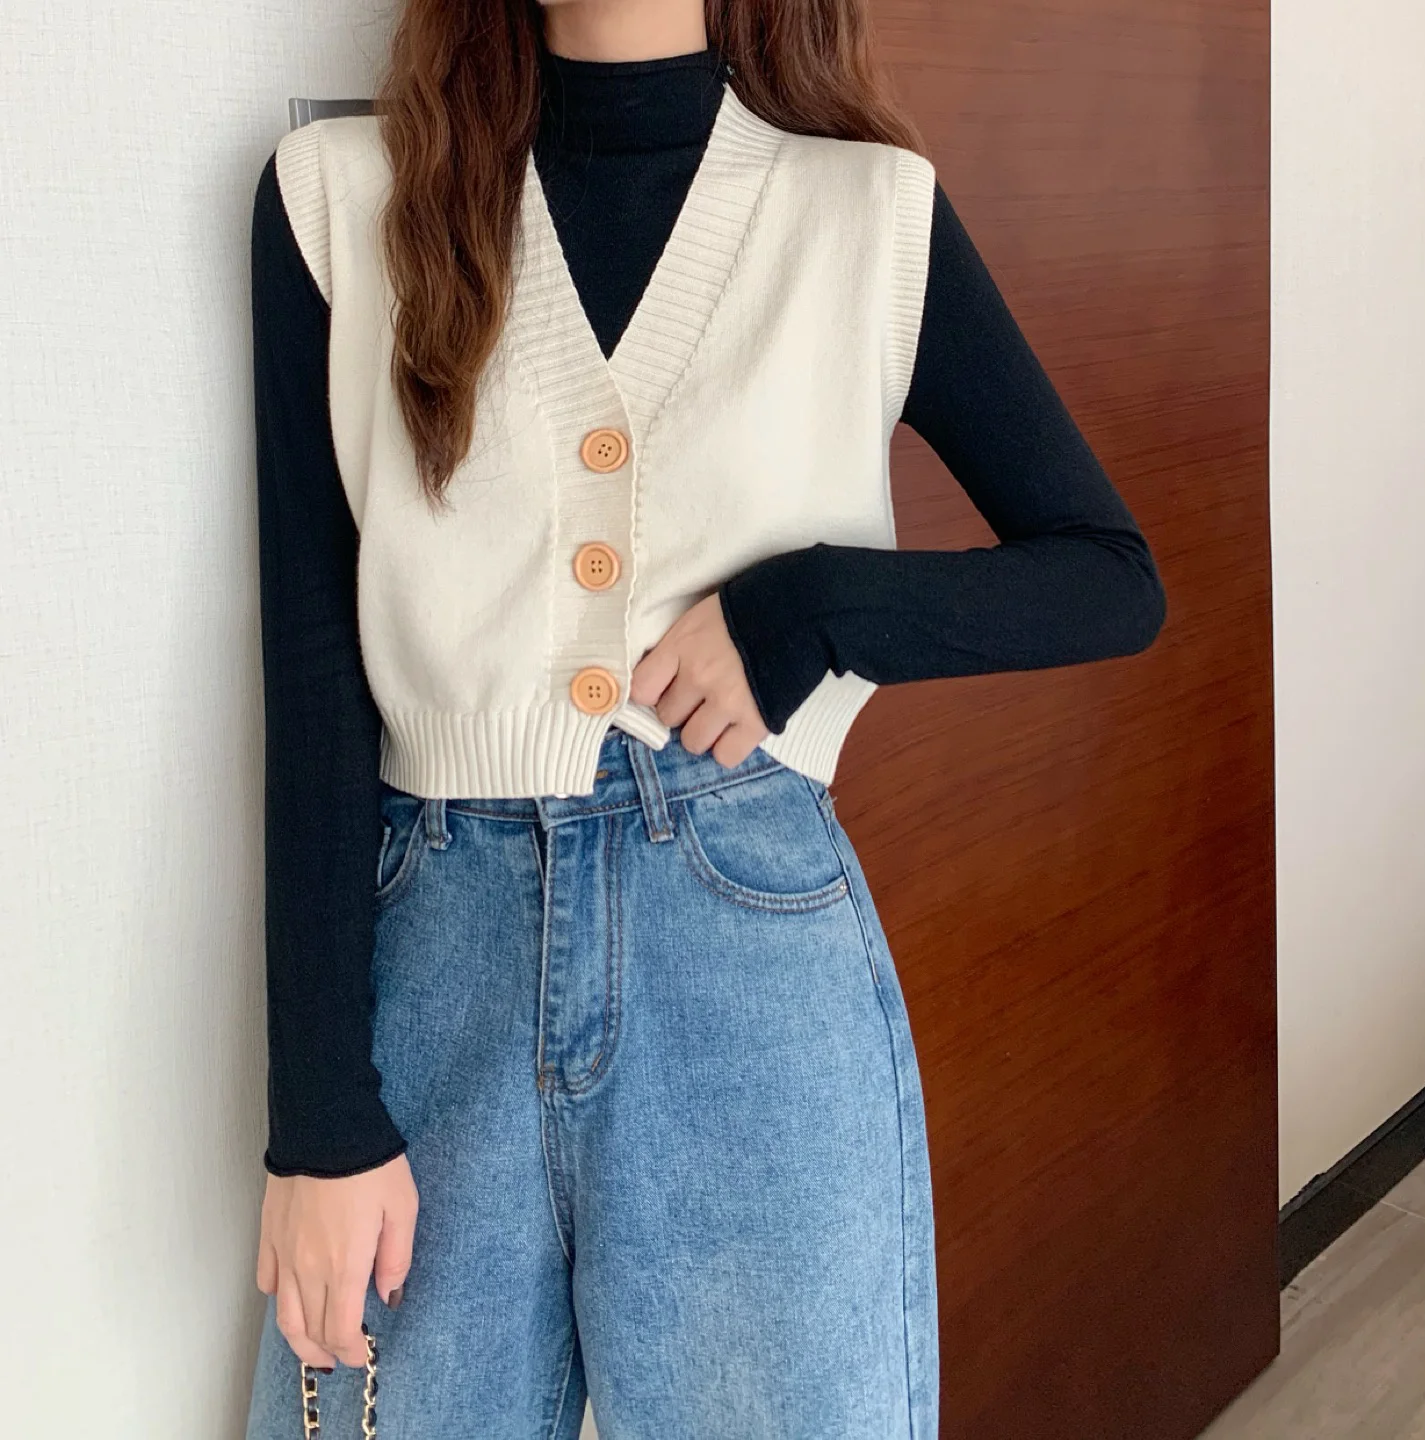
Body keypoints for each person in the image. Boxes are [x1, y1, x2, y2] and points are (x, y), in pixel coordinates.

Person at [243, 0, 1167, 1434]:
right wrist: (317, 1124)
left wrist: (809, 610)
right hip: (430, 980)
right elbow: (311, 687)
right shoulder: (340, 199)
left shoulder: (867, 216)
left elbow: (1109, 579)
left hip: (751, 958)